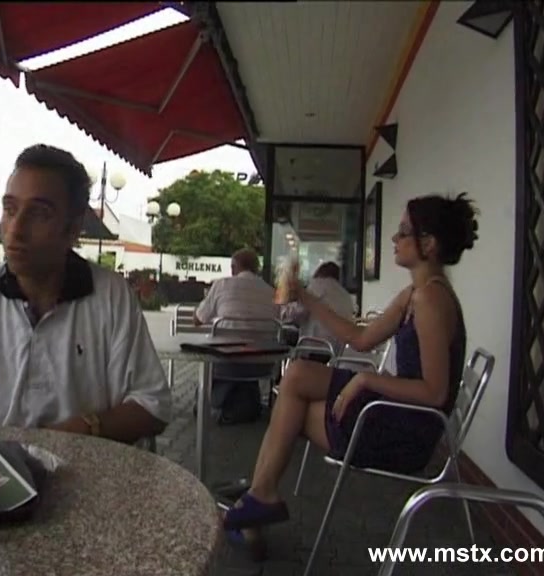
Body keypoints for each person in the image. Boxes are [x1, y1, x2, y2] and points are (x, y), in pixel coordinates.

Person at [222, 192, 478, 531]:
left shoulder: (431, 299)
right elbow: (361, 338)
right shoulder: (415, 294)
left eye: (403, 231)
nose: (394, 238)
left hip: (407, 430)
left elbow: (434, 392)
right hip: (394, 408)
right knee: (296, 375)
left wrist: (366, 379)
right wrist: (306, 297)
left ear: (428, 244)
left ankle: (258, 496)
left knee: (296, 411)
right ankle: (260, 494)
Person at [0, 144, 171, 444]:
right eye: (10, 210)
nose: (15, 229)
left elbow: (153, 405)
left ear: (73, 228)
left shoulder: (111, 296)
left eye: (39, 214)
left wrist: (88, 428)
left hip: (82, 466)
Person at [193, 248, 280, 424]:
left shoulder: (221, 285)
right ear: (256, 269)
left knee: (221, 355)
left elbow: (198, 320)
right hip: (262, 365)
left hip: (224, 363)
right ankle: (242, 406)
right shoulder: (271, 292)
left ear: (233, 267)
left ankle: (216, 404)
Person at [280, 261, 357, 358]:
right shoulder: (346, 295)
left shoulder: (316, 286)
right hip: (337, 352)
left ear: (319, 272)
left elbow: (295, 314)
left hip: (314, 348)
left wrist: (284, 308)